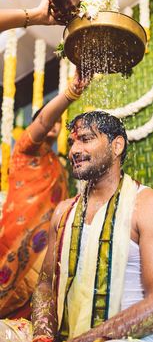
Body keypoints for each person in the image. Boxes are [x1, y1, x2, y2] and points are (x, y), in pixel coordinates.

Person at [31, 111, 153, 342]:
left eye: (86, 139)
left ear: (117, 146)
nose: (74, 150)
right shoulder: (64, 212)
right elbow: (44, 283)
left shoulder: (150, 206)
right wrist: (42, 333)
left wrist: (88, 339)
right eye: (72, 142)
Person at [0, 68, 90, 319]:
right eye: (52, 120)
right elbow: (42, 121)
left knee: (33, 310)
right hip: (16, 239)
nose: (55, 124)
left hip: (47, 244)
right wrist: (71, 93)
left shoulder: (59, 163)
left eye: (59, 122)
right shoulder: (26, 149)